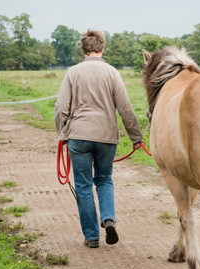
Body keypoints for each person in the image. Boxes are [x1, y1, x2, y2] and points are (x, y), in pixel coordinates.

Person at [54, 29, 143, 248]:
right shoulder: (112, 72)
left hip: (79, 136)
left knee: (83, 186)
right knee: (104, 179)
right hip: (106, 137)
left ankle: (92, 237)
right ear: (102, 48)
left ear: (83, 49)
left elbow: (60, 109)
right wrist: (136, 137)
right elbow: (125, 108)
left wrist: (62, 133)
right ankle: (108, 219)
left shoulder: (72, 73)